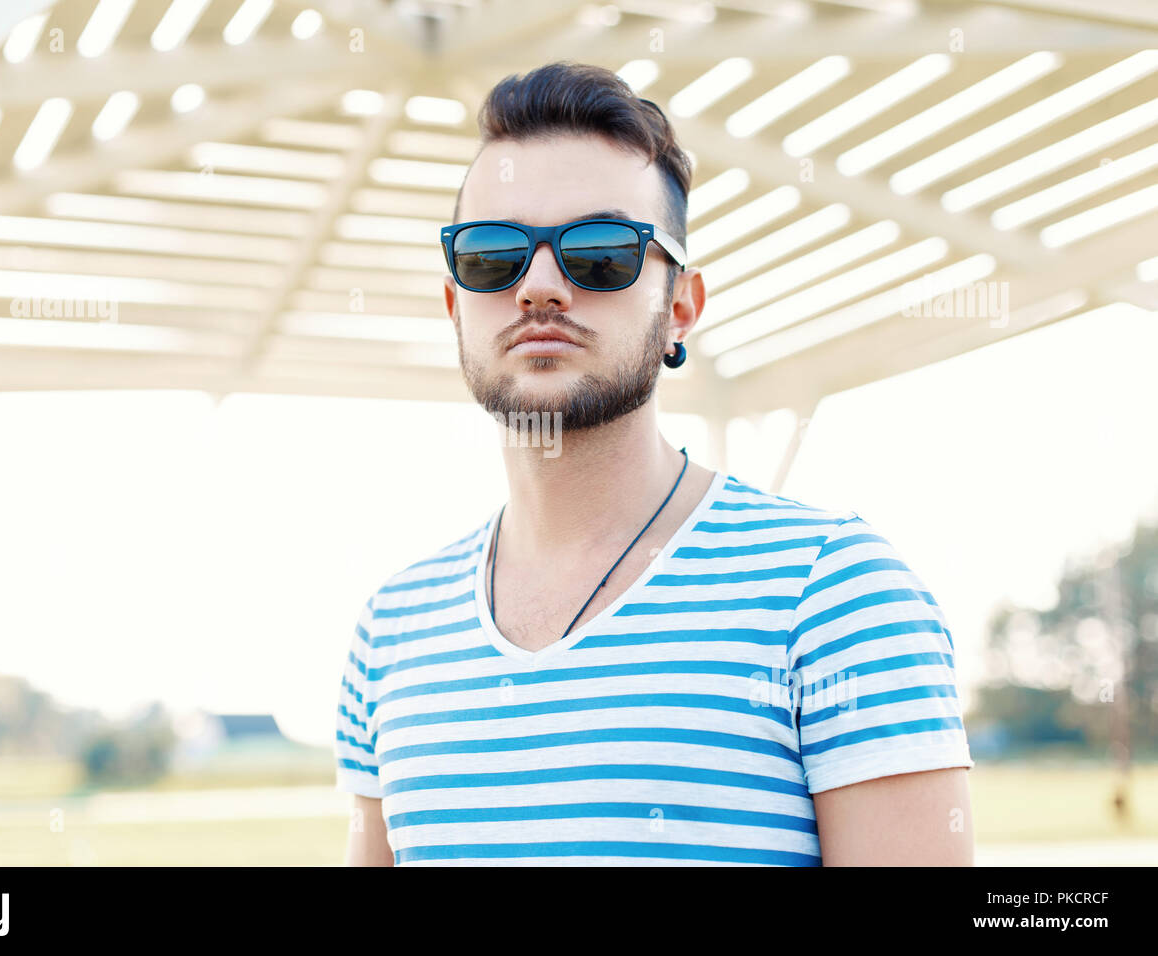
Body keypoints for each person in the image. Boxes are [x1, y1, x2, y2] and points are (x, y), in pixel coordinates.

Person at [334, 61, 974, 866]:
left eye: (600, 253)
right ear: (456, 305)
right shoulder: (391, 631)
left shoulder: (833, 594)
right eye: (492, 254)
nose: (538, 286)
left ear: (680, 307)